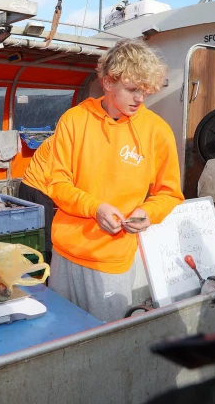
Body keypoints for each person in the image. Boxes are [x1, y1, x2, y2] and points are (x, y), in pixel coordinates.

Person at [46, 38, 185, 323]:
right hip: (64, 254)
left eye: (145, 91)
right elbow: (56, 184)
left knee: (106, 340)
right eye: (133, 90)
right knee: (60, 335)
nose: (140, 99)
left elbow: (170, 193)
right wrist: (94, 207)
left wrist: (149, 212)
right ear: (108, 83)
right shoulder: (74, 120)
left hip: (112, 260)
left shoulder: (158, 132)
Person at [18, 135, 55, 264]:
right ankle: (45, 273)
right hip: (39, 191)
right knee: (45, 238)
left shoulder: (54, 139)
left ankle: (29, 268)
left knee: (28, 234)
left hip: (26, 187)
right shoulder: (62, 143)